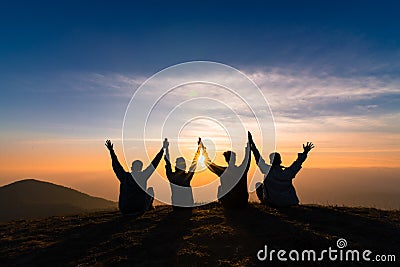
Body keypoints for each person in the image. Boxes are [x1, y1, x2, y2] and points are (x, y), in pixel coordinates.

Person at [249, 133, 314, 207]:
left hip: (272, 202)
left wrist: (252, 144)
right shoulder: (289, 172)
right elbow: (298, 162)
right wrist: (305, 152)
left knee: (258, 184)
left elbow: (258, 159)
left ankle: (263, 203)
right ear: (280, 161)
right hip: (288, 202)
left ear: (270, 161)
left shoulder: (267, 170)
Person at [105, 140, 164, 215]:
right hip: (139, 208)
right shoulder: (143, 176)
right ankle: (149, 207)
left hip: (125, 209)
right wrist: (162, 150)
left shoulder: (124, 176)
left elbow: (116, 165)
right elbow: (154, 164)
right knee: (150, 190)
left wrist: (111, 151)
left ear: (132, 168)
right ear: (141, 168)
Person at [201, 132, 251, 209]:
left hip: (229, 203)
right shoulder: (241, 170)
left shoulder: (222, 171)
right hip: (242, 202)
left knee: (220, 187)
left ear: (226, 160)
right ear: (234, 159)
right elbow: (247, 158)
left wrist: (203, 149)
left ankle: (223, 203)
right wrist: (249, 144)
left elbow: (208, 163)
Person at [164, 138, 201, 210]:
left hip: (177, 206)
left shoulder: (172, 176)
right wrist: (198, 149)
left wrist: (166, 149)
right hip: (187, 205)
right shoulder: (187, 177)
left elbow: (167, 162)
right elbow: (194, 163)